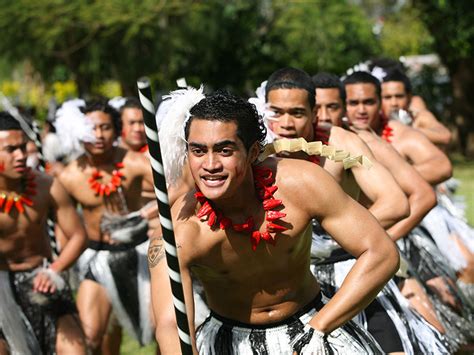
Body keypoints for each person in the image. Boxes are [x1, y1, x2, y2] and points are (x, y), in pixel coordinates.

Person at [151, 90, 399, 354]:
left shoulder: (303, 184)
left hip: (315, 323)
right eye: (198, 151)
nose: (210, 164)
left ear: (253, 151)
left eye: (225, 150)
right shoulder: (180, 232)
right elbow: (170, 323)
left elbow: (381, 253)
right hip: (232, 343)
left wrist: (318, 328)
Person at [264, 68, 448, 354]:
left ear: (313, 114)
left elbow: (397, 202)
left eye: (297, 113)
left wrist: (336, 238)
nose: (286, 123)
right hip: (289, 279)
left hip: (349, 265)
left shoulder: (341, 142)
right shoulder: (257, 148)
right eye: (277, 112)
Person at [343, 72, 474, 350]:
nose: (361, 110)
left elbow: (440, 168)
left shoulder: (395, 133)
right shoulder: (335, 139)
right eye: (353, 102)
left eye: (370, 101)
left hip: (400, 233)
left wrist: (394, 178)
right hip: (349, 245)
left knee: (447, 304)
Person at [57, 100, 156, 354]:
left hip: (141, 254)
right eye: (92, 129)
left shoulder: (135, 162)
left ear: (116, 130)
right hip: (98, 258)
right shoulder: (69, 176)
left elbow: (176, 192)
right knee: (89, 337)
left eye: (105, 127)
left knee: (164, 329)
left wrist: (146, 213)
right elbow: (61, 220)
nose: (99, 135)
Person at [0, 111, 87, 355]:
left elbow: (79, 235)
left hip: (44, 278)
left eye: (22, 148)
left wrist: (55, 270)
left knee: (76, 350)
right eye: (10, 150)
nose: (20, 156)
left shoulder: (45, 185)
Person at [380, 68, 452, 147]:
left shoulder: (417, 116)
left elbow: (445, 136)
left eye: (399, 96)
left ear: (409, 97)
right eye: (387, 97)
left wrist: (408, 129)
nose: (394, 103)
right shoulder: (375, 119)